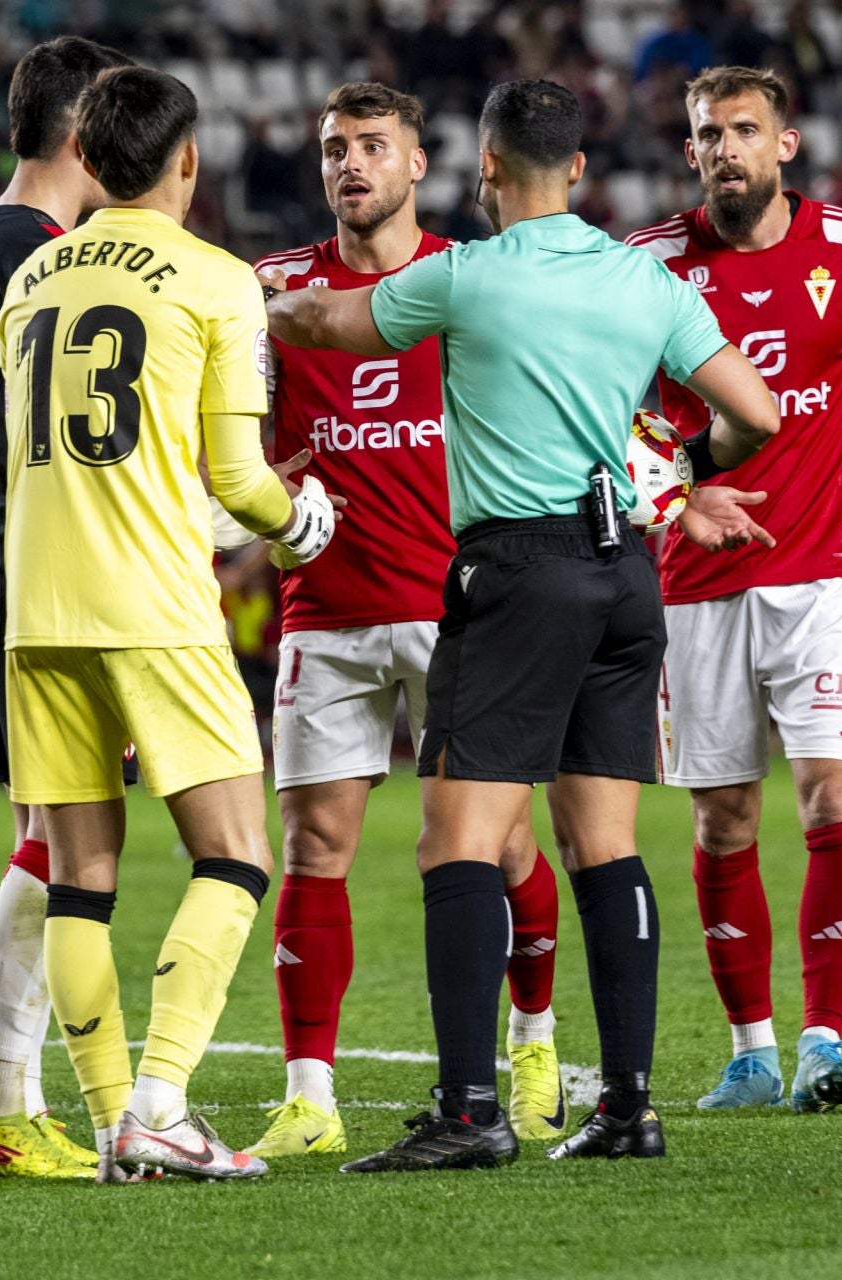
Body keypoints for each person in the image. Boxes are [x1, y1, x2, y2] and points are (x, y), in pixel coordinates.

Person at [266, 78, 778, 1172]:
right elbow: (759, 409)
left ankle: (466, 1110)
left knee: (454, 839)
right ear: (581, 170)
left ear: (485, 169)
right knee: (605, 841)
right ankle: (630, 1105)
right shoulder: (643, 278)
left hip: (516, 571)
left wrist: (236, 295)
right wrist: (685, 469)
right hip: (629, 574)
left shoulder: (462, 276)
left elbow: (320, 317)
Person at [0, 66, 338, 1182]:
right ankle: (159, 1097)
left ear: (89, 162)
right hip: (152, 602)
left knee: (79, 873)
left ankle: (112, 1129)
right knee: (238, 850)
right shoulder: (218, 278)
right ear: (187, 159)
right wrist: (300, 521)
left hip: (36, 607)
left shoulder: (32, 276)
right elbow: (240, 476)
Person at [625, 66, 842, 1112]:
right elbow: (611, 422)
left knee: (834, 794)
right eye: (706, 133)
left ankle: (827, 1040)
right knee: (723, 818)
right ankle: (751, 1049)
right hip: (695, 585)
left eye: (744, 129)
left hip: (827, 575)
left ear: (787, 143)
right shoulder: (649, 267)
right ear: (689, 153)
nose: (725, 147)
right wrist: (675, 496)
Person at [243, 82, 568, 1161]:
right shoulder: (272, 290)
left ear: (420, 164)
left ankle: (532, 1038)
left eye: (373, 146)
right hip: (323, 608)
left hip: (457, 606)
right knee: (315, 843)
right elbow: (234, 442)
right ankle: (308, 1092)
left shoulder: (470, 281)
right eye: (334, 147)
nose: (349, 165)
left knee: (505, 839)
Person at [0, 36, 133, 1184]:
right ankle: (0, 1099)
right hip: (37, 578)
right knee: (73, 844)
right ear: (82, 133)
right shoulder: (48, 263)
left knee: (53, 837)